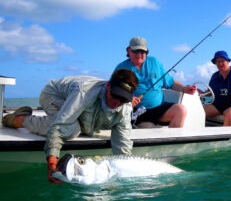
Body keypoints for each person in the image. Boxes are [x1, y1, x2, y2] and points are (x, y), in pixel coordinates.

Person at [2, 69, 138, 183]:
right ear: (108, 86)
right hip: (52, 94)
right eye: (115, 95)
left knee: (82, 126)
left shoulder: (125, 108)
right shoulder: (84, 93)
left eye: (123, 99)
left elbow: (122, 147)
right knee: (71, 129)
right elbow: (59, 127)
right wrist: (52, 164)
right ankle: (20, 119)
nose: (117, 102)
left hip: (76, 101)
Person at [114, 36, 197, 128]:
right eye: (135, 51)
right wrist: (129, 98)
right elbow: (114, 90)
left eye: (142, 51)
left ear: (147, 52)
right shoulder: (121, 68)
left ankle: (172, 141)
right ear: (128, 51)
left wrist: (184, 88)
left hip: (158, 108)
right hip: (133, 111)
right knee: (147, 126)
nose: (139, 54)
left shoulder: (155, 62)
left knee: (181, 110)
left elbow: (170, 82)